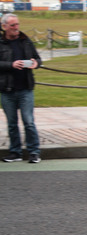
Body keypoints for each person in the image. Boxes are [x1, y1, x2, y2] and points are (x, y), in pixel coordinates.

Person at [0, 13, 42, 163]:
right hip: (7, 89)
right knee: (12, 123)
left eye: (17, 24)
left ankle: (34, 152)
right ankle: (15, 152)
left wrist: (36, 63)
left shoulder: (25, 40)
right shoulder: (1, 43)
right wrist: (10, 65)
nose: (16, 28)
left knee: (28, 122)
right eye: (12, 25)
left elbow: (37, 58)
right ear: (4, 27)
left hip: (25, 88)